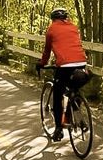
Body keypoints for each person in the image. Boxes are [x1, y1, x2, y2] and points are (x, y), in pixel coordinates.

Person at [36, 8, 89, 141]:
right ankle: (77, 115)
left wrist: (42, 63)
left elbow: (47, 51)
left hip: (65, 65)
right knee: (73, 89)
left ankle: (59, 129)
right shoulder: (74, 27)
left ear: (53, 19)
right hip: (82, 63)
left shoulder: (52, 29)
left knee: (58, 94)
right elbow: (72, 46)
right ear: (66, 18)